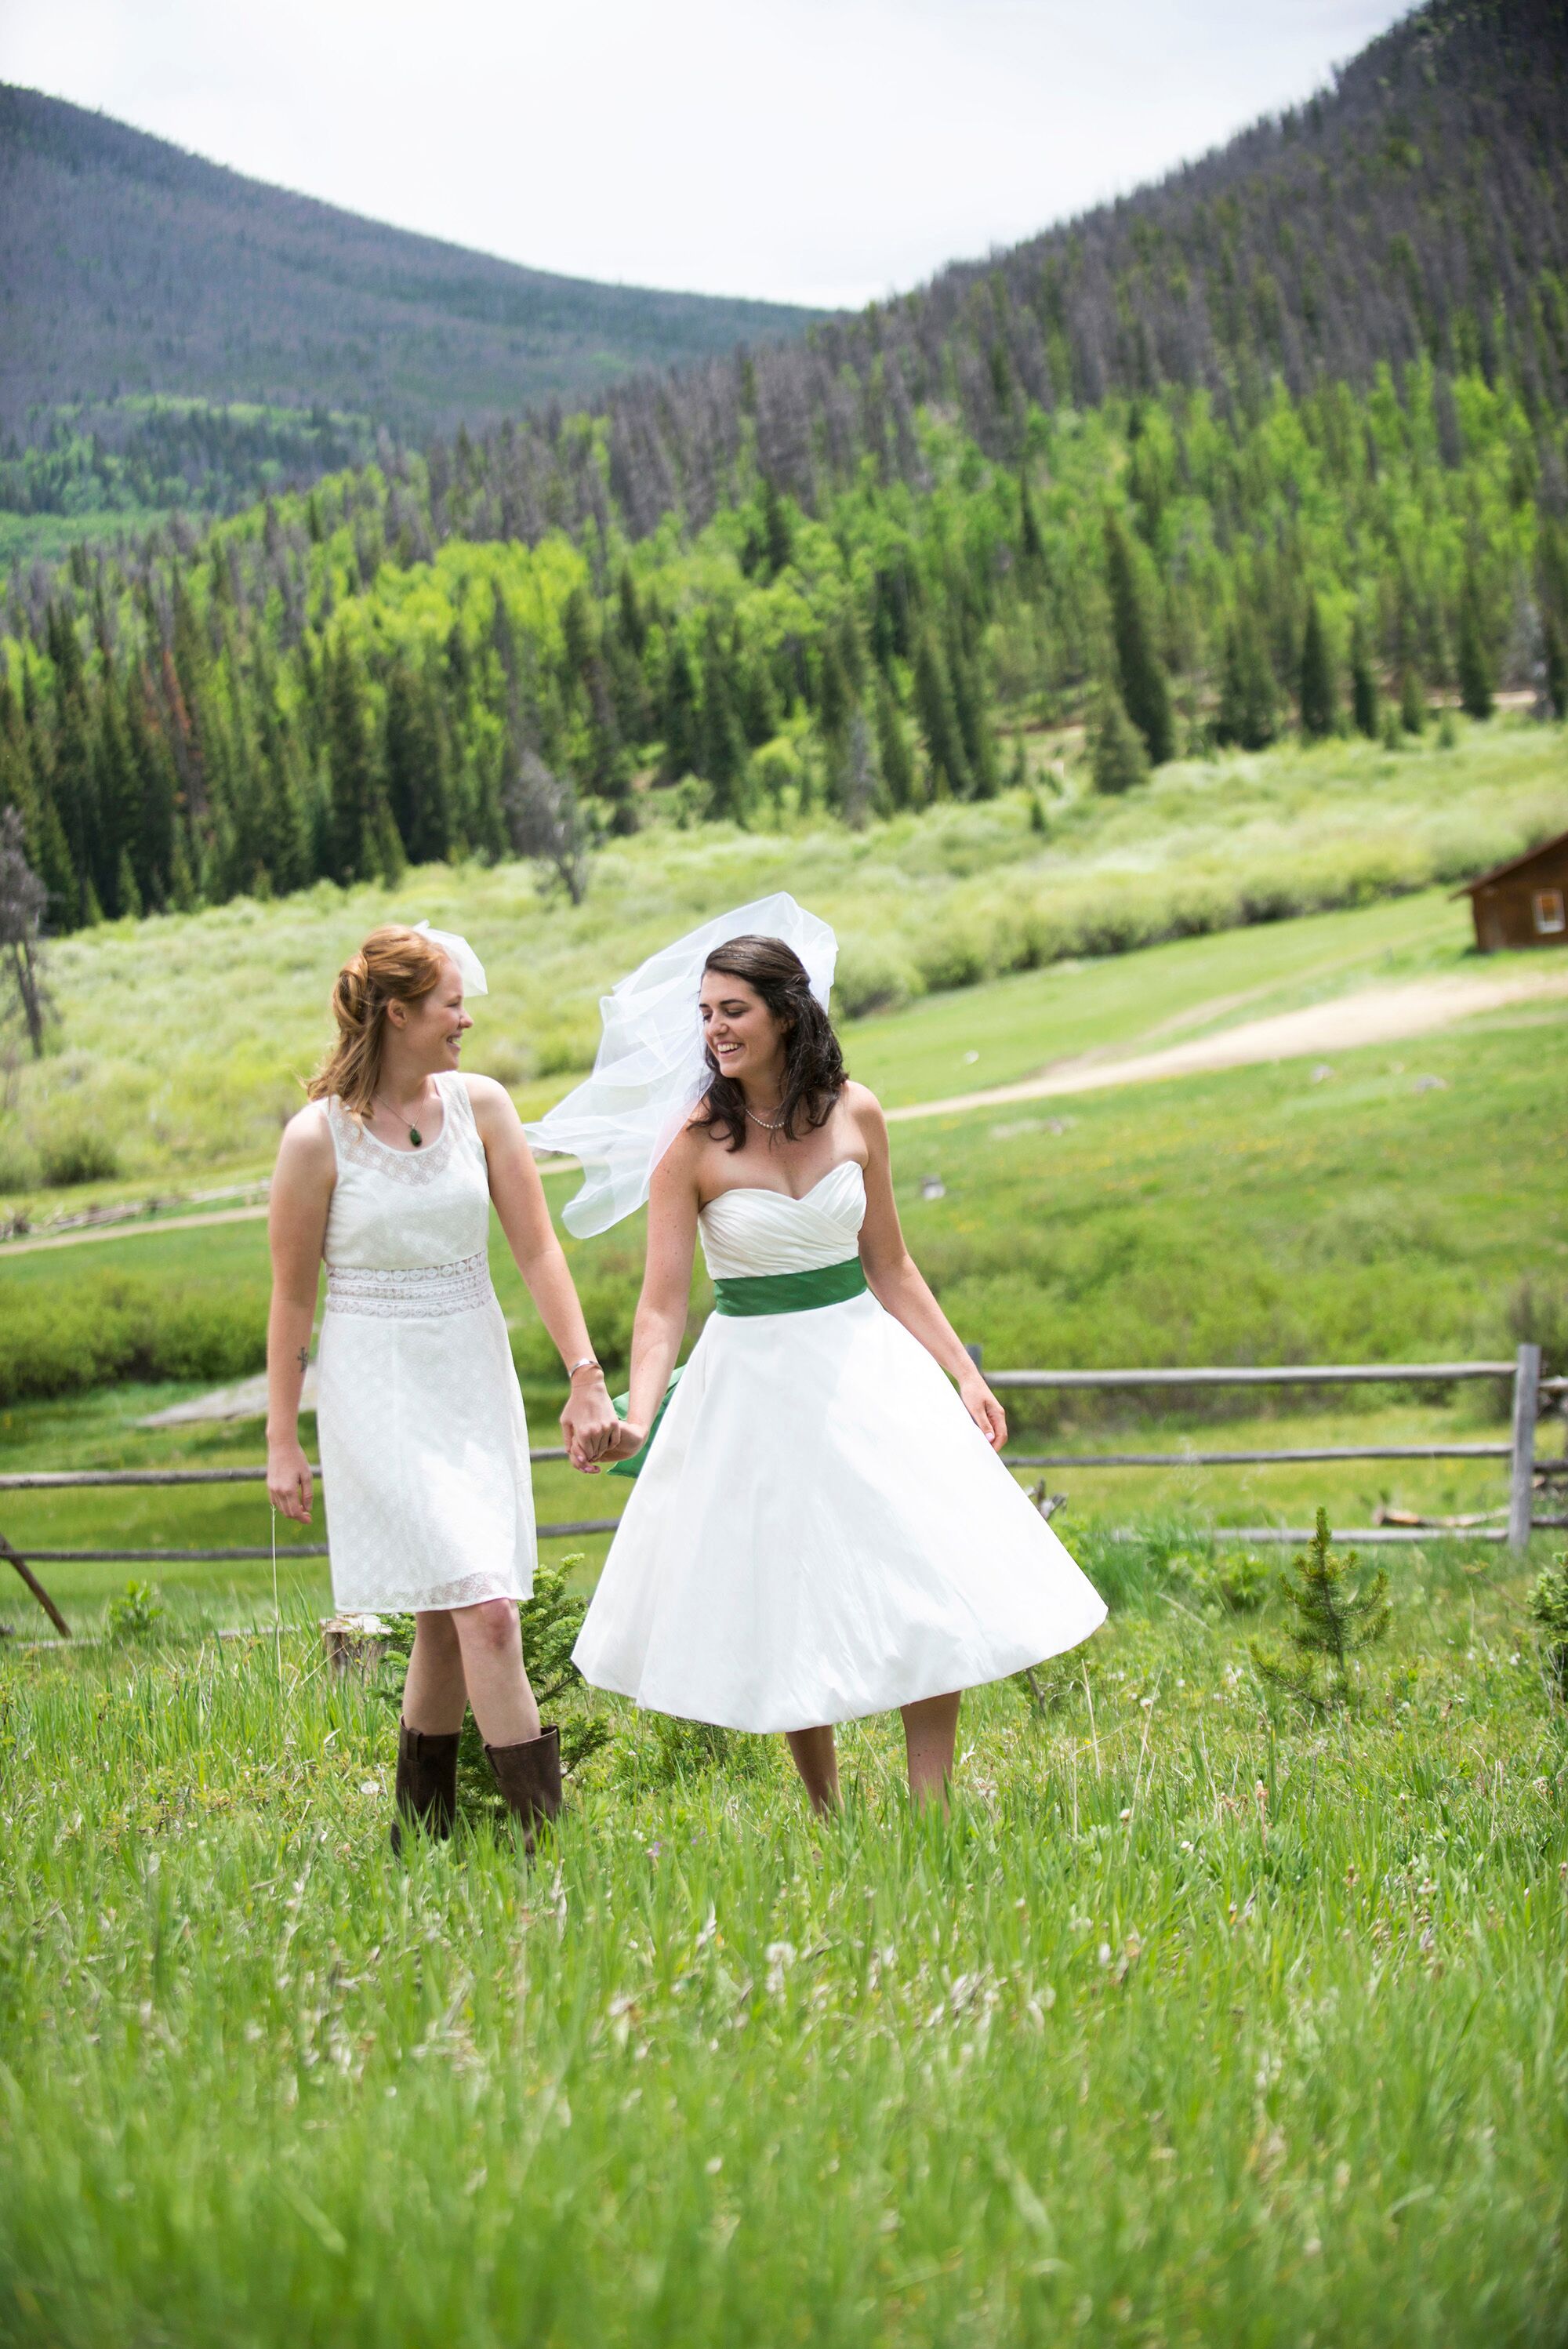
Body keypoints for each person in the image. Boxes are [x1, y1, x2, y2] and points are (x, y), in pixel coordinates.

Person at [527, 895, 1105, 1813]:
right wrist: (639, 1413)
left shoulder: (856, 1112)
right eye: (705, 1013)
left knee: (922, 1561)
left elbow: (891, 1263)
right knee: (790, 1585)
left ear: (786, 1013)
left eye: (733, 1010)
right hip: (754, 1380)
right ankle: (824, 1806)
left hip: (863, 1363)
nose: (714, 1028)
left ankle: (931, 1807)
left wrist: (963, 1370)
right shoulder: (689, 1147)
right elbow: (659, 1307)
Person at [266, 921, 619, 1850]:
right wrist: (280, 1437)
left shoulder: (484, 1106)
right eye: (450, 1002)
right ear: (397, 1012)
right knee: (488, 1608)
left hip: (470, 1367)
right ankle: (548, 1849)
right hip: (374, 1383)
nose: (466, 1018)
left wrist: (584, 1374)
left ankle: (418, 1836)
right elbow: (291, 1297)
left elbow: (537, 1248)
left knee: (443, 1610)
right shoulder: (315, 1141)